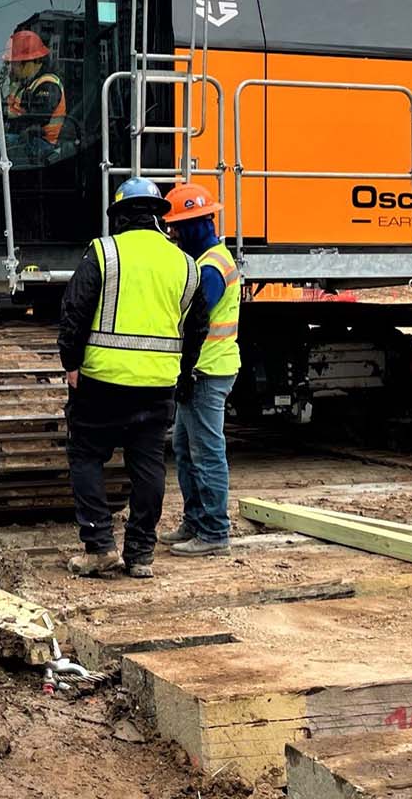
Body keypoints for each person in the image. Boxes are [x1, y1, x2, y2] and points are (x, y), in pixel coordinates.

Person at [55, 177, 210, 579]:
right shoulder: (186, 264)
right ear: (158, 217)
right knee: (148, 466)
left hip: (102, 383)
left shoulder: (105, 253)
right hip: (157, 386)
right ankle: (140, 553)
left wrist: (71, 363)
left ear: (120, 216)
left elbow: (74, 310)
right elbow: (197, 326)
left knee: (87, 456)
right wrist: (183, 368)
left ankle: (100, 546)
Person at [160, 182, 239, 557]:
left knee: (206, 453)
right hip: (199, 369)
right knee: (186, 449)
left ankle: (214, 532)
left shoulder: (213, 268)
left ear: (194, 225)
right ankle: (195, 522)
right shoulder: (203, 261)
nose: (172, 235)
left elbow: (194, 319)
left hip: (207, 370)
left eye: (176, 227)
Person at [2, 29, 68, 149]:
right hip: (29, 140)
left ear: (29, 63)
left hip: (44, 145)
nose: (11, 68)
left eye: (14, 63)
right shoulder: (26, 85)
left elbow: (37, 118)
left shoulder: (48, 84)